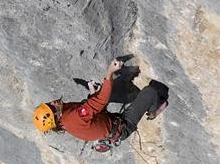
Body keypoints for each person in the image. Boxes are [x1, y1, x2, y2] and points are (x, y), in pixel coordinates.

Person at [33, 59, 169, 152]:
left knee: (95, 98)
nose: (53, 102)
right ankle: (154, 110)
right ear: (55, 117)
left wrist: (92, 92)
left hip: (111, 122)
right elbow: (101, 101)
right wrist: (110, 72)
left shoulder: (65, 117)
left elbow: (91, 109)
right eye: (52, 107)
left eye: (49, 104)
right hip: (124, 125)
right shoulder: (72, 118)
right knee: (152, 91)